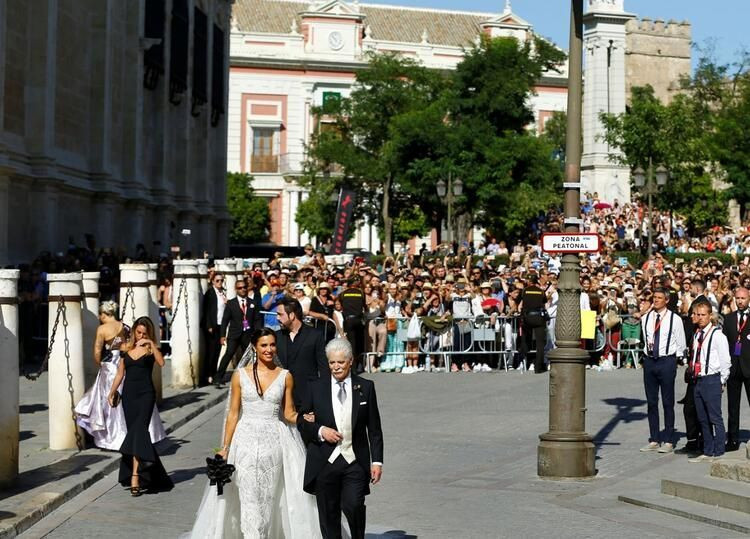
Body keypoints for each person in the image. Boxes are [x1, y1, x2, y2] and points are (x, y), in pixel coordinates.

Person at [187, 329, 321, 538]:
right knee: (247, 495)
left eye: (272, 345)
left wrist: (306, 419)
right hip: (245, 441)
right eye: (264, 345)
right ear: (255, 348)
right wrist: (225, 448)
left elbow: (289, 413)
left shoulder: (285, 376)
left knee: (268, 496)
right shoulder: (240, 376)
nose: (269, 350)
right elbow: (232, 414)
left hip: (274, 442)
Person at [298, 338, 384, 539]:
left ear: (350, 361)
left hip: (354, 460)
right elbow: (303, 422)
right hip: (324, 461)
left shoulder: (366, 387)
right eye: (331, 363)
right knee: (328, 515)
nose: (336, 367)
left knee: (353, 505)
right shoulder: (315, 388)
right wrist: (320, 430)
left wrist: (377, 461)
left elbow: (374, 429)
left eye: (340, 362)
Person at [76, 302, 165, 450]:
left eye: (100, 315)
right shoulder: (125, 327)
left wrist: (102, 364)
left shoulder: (102, 329)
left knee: (108, 405)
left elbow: (97, 354)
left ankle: (112, 438)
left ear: (104, 314)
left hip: (111, 367)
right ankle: (131, 437)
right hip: (128, 365)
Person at [108, 317, 173, 496]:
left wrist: (151, 342)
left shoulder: (150, 348)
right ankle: (152, 472)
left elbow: (161, 363)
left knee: (139, 431)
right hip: (129, 396)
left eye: (145, 333)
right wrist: (112, 392)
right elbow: (120, 374)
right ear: (134, 331)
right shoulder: (126, 349)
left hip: (146, 395)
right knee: (136, 435)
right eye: (139, 332)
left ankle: (135, 476)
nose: (141, 335)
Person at [639, 288, 686, 454]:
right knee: (651, 402)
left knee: (667, 401)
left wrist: (679, 360)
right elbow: (645, 339)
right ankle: (654, 438)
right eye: (655, 297)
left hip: (667, 361)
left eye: (660, 298)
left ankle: (668, 438)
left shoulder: (675, 319)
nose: (656, 300)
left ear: (666, 300)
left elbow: (681, 342)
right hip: (650, 360)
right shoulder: (646, 318)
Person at [688, 302, 731, 462]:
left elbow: (725, 361)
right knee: (702, 417)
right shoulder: (696, 335)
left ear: (710, 315)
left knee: (715, 417)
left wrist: (721, 380)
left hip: (712, 379)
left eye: (703, 315)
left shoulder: (717, 335)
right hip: (698, 379)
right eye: (697, 314)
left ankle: (719, 450)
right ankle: (708, 449)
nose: (699, 318)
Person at [276, 296, 329, 409]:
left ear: (292, 315)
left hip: (308, 397)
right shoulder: (276, 337)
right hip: (282, 398)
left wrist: (324, 395)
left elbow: (323, 367)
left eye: (280, 314)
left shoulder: (315, 335)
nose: (277, 318)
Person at [214, 278, 262, 387]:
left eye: (244, 287)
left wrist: (257, 334)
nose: (243, 290)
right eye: (240, 288)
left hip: (248, 334)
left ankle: (252, 377)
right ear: (236, 289)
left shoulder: (253, 303)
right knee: (229, 354)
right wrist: (222, 335)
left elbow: (257, 319)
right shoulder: (231, 303)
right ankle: (218, 377)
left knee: (250, 356)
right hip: (234, 334)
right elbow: (225, 320)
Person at [722, 287, 750, 452]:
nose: (740, 301)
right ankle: (733, 439)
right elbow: (725, 343)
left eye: (743, 298)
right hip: (733, 367)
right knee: (733, 405)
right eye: (737, 298)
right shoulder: (729, 318)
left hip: (749, 367)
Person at [200, 272, 226, 385]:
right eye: (217, 281)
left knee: (217, 351)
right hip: (212, 325)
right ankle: (208, 374)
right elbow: (207, 310)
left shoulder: (223, 293)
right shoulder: (210, 293)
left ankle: (214, 374)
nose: (220, 283)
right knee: (210, 351)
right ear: (213, 281)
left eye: (221, 280)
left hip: (221, 325)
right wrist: (209, 325)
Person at [519, 273, 547, 373]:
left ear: (529, 281)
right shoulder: (541, 291)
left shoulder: (524, 291)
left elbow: (520, 300)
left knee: (525, 338)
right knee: (540, 343)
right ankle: (538, 367)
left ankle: (524, 360)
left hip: (527, 317)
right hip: (538, 318)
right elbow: (544, 301)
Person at [340, 277, 366, 373]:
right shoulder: (361, 293)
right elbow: (364, 305)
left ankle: (353, 368)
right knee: (359, 343)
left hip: (348, 320)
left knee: (351, 344)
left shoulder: (343, 294)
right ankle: (358, 365)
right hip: (358, 320)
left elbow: (342, 305)